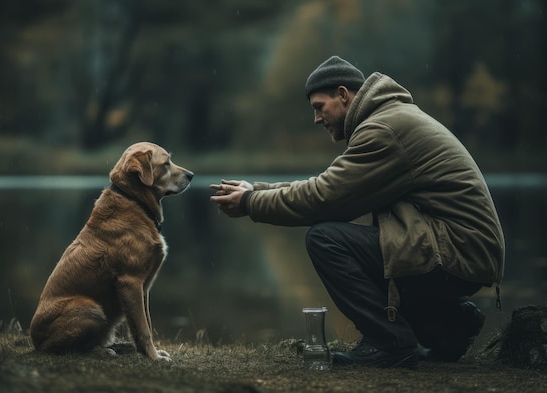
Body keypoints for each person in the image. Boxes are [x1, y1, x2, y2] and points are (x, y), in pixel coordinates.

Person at [209, 56, 505, 369]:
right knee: (373, 247)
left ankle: (389, 343)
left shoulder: (384, 129)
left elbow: (324, 198)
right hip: (463, 249)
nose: (316, 118)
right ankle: (449, 326)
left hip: (459, 249)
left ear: (343, 94)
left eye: (319, 106)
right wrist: (255, 189)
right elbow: (329, 187)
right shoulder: (389, 118)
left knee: (326, 240)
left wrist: (250, 202)